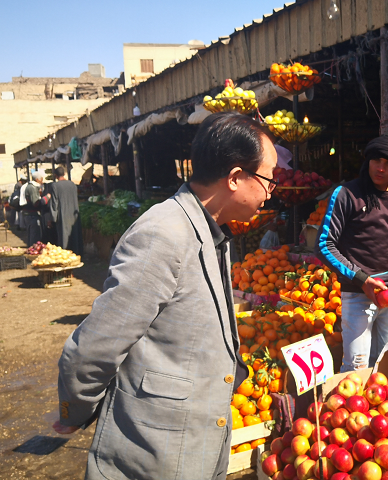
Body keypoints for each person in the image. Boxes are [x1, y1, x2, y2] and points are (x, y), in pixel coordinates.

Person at [53, 112, 277, 480]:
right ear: (236, 178)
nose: (271, 192)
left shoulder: (208, 230)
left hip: (189, 449)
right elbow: (95, 347)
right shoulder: (164, 234)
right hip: (152, 457)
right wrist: (74, 411)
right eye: (268, 180)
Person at [315, 134, 388, 372]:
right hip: (357, 293)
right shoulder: (346, 195)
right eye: (377, 160)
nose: (381, 168)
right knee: (356, 366)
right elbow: (324, 244)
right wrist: (361, 279)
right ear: (368, 161)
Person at [50, 166, 83, 254]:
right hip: (73, 214)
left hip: (63, 214)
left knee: (63, 235)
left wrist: (53, 218)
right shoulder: (72, 184)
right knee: (75, 234)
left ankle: (65, 254)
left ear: (55, 175)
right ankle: (76, 253)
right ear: (64, 174)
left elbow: (54, 203)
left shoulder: (55, 186)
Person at [21, 170, 51, 246]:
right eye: (41, 178)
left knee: (31, 235)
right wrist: (46, 198)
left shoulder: (31, 186)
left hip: (29, 215)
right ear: (37, 179)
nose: (42, 180)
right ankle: (33, 253)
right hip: (32, 215)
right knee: (34, 236)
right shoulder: (32, 188)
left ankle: (31, 251)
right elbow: (36, 203)